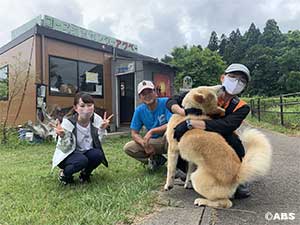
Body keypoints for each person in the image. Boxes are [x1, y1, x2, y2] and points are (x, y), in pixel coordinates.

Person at [166, 63, 251, 198]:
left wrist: (191, 123)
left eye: (242, 81)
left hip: (221, 136)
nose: (236, 82)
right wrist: (183, 111)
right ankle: (184, 170)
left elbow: (227, 125)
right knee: (177, 138)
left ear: (245, 86)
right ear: (223, 78)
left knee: (233, 141)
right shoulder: (206, 92)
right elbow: (173, 100)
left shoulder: (242, 106)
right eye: (233, 77)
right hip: (198, 138)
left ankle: (238, 178)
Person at [51, 92, 113, 184]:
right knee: (81, 160)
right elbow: (65, 148)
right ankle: (64, 174)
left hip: (85, 152)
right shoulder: (68, 122)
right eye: (82, 106)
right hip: (68, 155)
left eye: (89, 105)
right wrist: (63, 136)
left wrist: (102, 129)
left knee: (98, 154)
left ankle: (85, 174)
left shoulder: (97, 120)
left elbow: (99, 142)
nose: (86, 109)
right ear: (76, 108)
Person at [123, 80, 172, 171]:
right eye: (143, 94)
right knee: (128, 148)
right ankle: (156, 160)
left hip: (168, 138)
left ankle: (178, 165)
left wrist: (152, 131)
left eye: (150, 92)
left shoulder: (166, 102)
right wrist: (144, 144)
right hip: (154, 141)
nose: (147, 95)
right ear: (140, 98)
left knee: (175, 135)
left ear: (156, 93)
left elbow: (172, 123)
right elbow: (134, 133)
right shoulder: (139, 110)